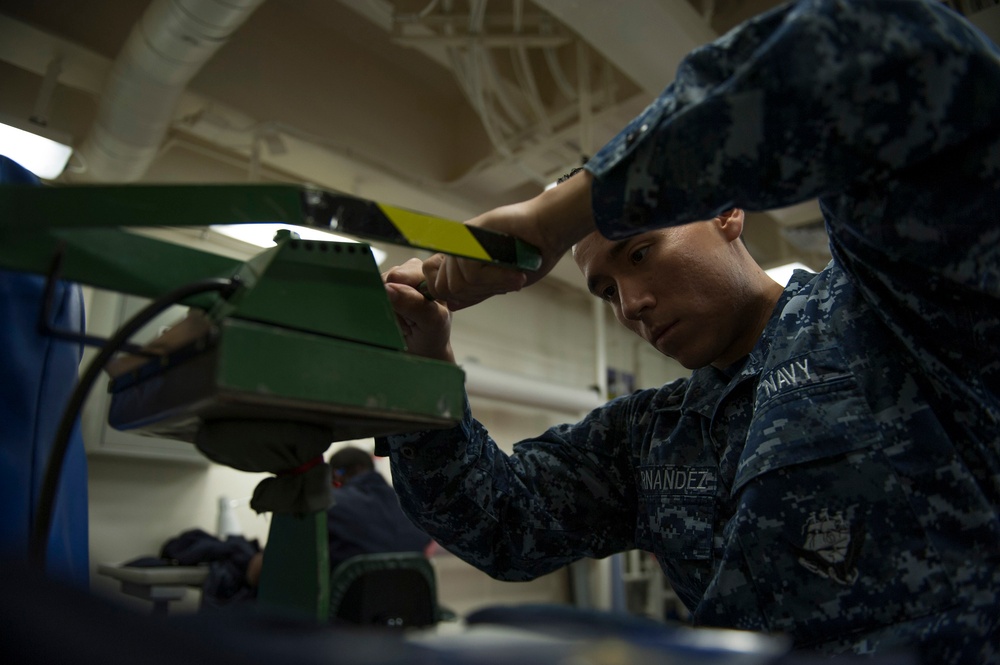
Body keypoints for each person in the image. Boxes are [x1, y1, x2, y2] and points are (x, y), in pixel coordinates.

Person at [376, 0, 1000, 662]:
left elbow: (889, 47)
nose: (631, 305)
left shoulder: (893, 312)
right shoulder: (650, 435)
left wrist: (553, 218)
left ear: (728, 210)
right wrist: (425, 365)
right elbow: (501, 523)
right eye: (606, 290)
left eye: (640, 252)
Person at [247, 446, 431, 587]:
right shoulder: (410, 506)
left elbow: (263, 571)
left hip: (344, 624)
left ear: (336, 475)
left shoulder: (329, 504)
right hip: (407, 615)